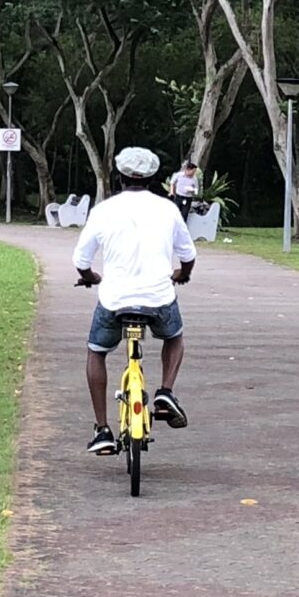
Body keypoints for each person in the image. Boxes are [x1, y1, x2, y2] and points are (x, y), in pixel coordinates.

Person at [73, 146, 195, 455]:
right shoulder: (168, 208)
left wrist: (91, 278)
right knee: (174, 337)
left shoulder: (103, 210)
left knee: (96, 352)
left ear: (119, 176)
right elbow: (188, 255)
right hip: (158, 297)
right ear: (155, 177)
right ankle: (165, 391)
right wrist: (182, 273)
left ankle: (102, 429)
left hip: (115, 300)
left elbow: (81, 261)